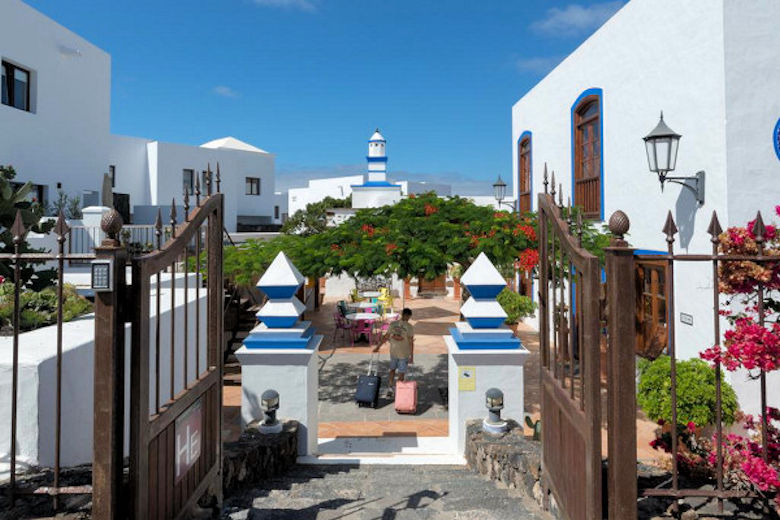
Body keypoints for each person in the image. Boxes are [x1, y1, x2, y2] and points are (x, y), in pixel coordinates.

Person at [373, 308, 414, 398]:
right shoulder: (410, 327)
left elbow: (385, 337)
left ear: (402, 314)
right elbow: (411, 342)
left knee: (393, 370)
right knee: (401, 373)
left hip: (394, 352)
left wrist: (377, 347)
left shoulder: (393, 324)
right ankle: (397, 389)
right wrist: (412, 356)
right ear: (409, 316)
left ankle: (391, 388)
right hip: (403, 353)